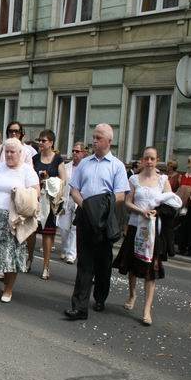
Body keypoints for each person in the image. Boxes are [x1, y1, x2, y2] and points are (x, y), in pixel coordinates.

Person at [65, 123, 130, 321]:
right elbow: (74, 189)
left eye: (99, 137)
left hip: (104, 219)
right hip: (86, 217)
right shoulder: (85, 163)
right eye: (93, 136)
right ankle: (79, 307)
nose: (94, 140)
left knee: (103, 263)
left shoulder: (116, 165)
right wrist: (86, 205)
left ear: (109, 141)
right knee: (84, 263)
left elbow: (120, 195)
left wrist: (99, 205)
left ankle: (100, 297)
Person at [112, 147, 172, 326]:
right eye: (146, 158)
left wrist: (156, 211)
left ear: (157, 160)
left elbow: (172, 202)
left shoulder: (163, 180)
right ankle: (132, 294)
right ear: (142, 160)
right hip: (136, 226)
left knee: (150, 270)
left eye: (152, 158)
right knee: (132, 265)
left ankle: (147, 310)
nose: (149, 161)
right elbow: (128, 202)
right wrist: (141, 211)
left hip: (154, 231)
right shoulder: (134, 179)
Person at [0, 139, 40, 302]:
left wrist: (20, 193)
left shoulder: (27, 170)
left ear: (20, 153)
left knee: (11, 253)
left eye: (12, 152)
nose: (8, 154)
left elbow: (36, 192)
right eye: (6, 151)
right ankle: (4, 282)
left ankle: (8, 289)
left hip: (13, 219)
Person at [30, 129, 66, 279]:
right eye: (39, 140)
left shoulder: (57, 160)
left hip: (49, 202)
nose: (40, 143)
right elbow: (29, 175)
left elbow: (63, 180)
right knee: (31, 231)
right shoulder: (35, 158)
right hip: (36, 198)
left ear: (51, 143)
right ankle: (29, 259)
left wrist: (49, 179)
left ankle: (46, 266)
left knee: (47, 234)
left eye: (43, 141)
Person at [57, 141, 87, 264]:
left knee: (75, 227)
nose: (74, 153)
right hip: (67, 199)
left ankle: (71, 254)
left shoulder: (86, 167)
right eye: (73, 150)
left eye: (77, 151)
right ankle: (64, 248)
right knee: (64, 227)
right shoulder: (66, 166)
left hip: (79, 200)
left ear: (84, 153)